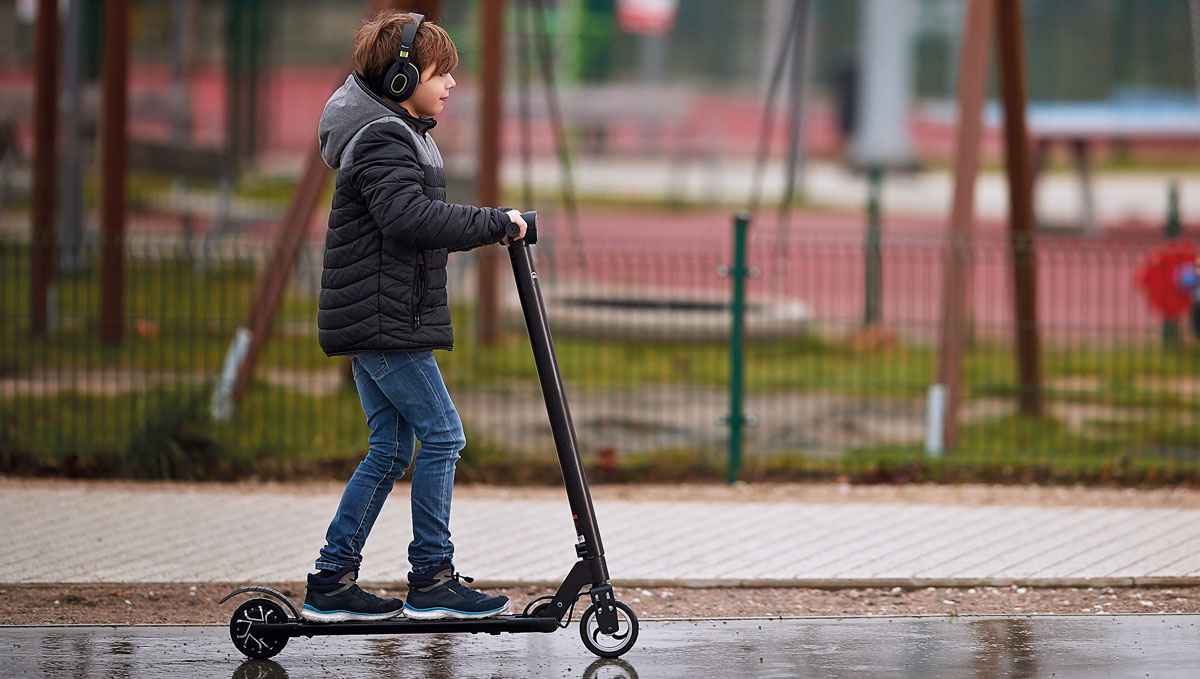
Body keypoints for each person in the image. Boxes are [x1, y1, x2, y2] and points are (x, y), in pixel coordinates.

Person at [301, 10, 527, 623]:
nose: (452, 84)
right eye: (440, 72)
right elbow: (410, 219)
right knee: (444, 435)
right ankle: (432, 576)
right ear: (401, 79)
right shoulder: (382, 138)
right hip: (385, 322)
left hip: (384, 317)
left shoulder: (398, 132)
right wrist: (495, 222)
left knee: (389, 447)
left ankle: (331, 579)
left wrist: (489, 221)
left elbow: (409, 217)